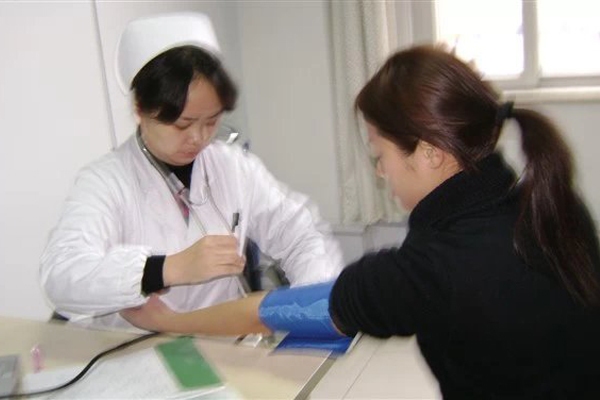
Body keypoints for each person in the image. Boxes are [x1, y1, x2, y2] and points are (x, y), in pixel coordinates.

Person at [122, 45, 600, 398]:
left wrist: (176, 322)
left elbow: (268, 310)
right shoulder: (550, 204)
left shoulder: (429, 270)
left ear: (430, 153)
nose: (379, 172)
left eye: (379, 154)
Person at [40, 13, 343, 331]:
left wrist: (311, 309)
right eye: (182, 124)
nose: (199, 138)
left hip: (221, 338)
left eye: (211, 121)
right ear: (140, 109)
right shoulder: (105, 181)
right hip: (138, 344)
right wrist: (167, 269)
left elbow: (300, 235)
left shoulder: (232, 166)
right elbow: (61, 275)